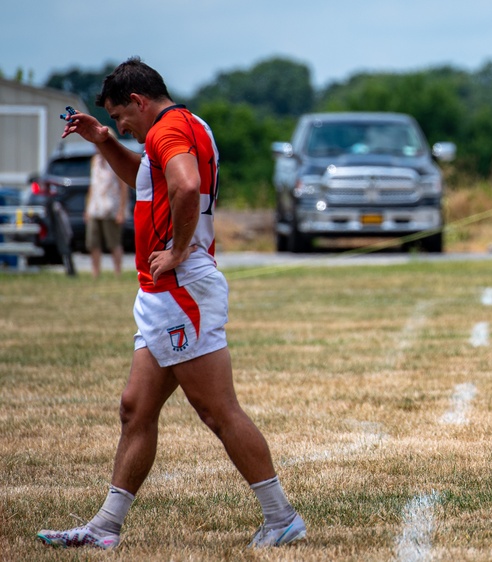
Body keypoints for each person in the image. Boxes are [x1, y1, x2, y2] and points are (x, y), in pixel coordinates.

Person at [36, 58, 306, 549]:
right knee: (135, 409)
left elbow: (185, 185)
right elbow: (150, 179)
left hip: (182, 290)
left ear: (139, 101)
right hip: (162, 295)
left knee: (217, 411)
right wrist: (104, 142)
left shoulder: (167, 130)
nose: (125, 127)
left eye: (122, 119)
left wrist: (179, 249)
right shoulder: (183, 125)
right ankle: (105, 528)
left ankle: (280, 516)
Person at [85, 149, 128, 277]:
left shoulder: (115, 162)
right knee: (93, 243)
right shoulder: (95, 161)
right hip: (95, 208)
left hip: (111, 208)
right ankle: (95, 272)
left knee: (113, 243)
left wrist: (122, 210)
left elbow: (123, 187)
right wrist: (87, 208)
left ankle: (117, 272)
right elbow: (92, 185)